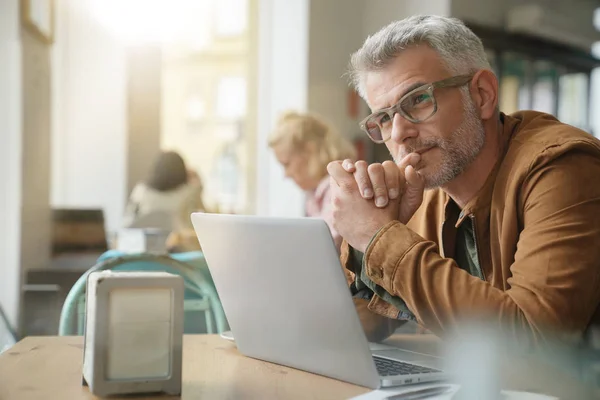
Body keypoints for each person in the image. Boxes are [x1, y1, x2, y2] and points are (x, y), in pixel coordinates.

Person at [327, 15, 600, 346]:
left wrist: (379, 238)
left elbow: (535, 341)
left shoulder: (563, 165)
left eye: (418, 99)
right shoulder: (427, 191)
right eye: (383, 118)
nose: (399, 134)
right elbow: (355, 329)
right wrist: (357, 245)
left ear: (482, 94)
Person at [269, 111, 356, 250]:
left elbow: (321, 248)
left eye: (286, 164)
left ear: (310, 151)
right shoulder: (313, 196)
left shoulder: (339, 190)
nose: (286, 175)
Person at [124, 150, 206, 233]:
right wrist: (198, 186)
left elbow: (128, 220)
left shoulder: (142, 191)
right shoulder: (189, 192)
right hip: (178, 241)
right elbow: (202, 219)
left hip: (146, 241)